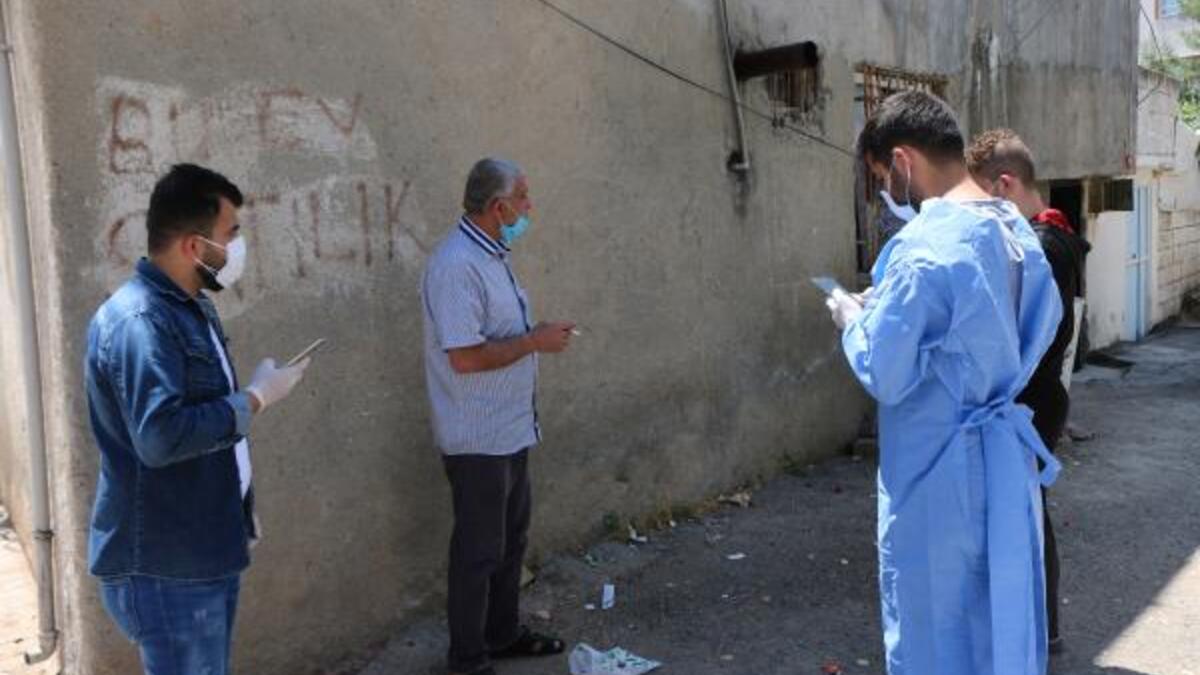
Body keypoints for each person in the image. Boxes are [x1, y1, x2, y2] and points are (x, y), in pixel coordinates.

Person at [825, 91, 1062, 675]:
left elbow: (886, 368)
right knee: (998, 617)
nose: (887, 194)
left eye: (883, 177)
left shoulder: (925, 248)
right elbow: (1029, 326)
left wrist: (854, 320)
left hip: (938, 467)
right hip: (1002, 461)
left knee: (936, 628)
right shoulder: (1015, 231)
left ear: (903, 162)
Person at [85, 164, 311, 674]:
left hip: (202, 545)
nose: (239, 245)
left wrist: (238, 503)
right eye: (231, 233)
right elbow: (161, 438)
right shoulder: (141, 323)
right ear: (193, 246)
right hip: (168, 564)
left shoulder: (189, 308)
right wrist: (253, 398)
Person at [422, 158, 573, 675]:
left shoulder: (491, 256)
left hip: (509, 429)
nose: (530, 208)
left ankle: (502, 633)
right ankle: (466, 660)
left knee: (509, 543)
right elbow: (463, 357)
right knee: (478, 551)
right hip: (477, 436)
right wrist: (535, 341)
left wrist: (536, 333)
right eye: (524, 198)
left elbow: (498, 333)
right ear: (498, 207)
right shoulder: (456, 265)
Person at [967, 128, 1091, 654]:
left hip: (1031, 399)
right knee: (1027, 513)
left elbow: (1024, 335)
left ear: (1005, 185)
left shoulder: (1040, 247)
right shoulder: (1056, 235)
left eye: (982, 200)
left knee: (1024, 517)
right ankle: (1042, 631)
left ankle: (1037, 633)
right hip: (1041, 396)